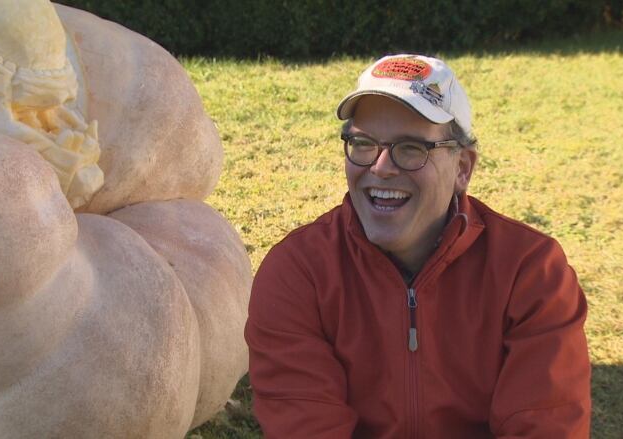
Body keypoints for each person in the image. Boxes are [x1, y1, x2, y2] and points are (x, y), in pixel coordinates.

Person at [244, 54, 591, 438]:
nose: (380, 167)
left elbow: (545, 426)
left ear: (463, 169)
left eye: (411, 148)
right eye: (362, 143)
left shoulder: (530, 272)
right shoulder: (297, 274)